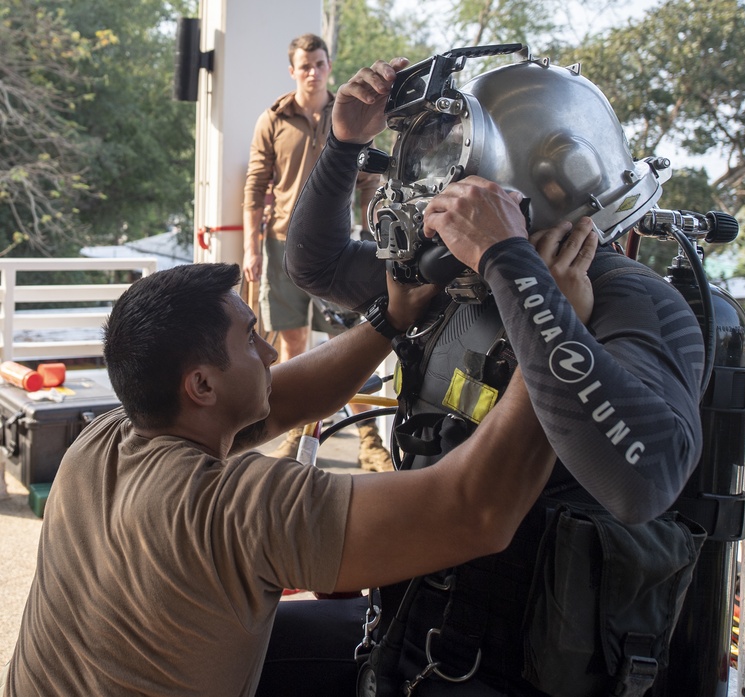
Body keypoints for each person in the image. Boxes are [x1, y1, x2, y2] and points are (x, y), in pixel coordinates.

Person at [285, 53, 707, 696]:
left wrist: (510, 264)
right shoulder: (450, 278)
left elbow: (644, 478)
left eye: (456, 184)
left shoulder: (628, 301)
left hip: (520, 663)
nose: (433, 204)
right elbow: (316, 267)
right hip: (411, 626)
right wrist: (344, 144)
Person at [1, 244, 597, 696]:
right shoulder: (236, 506)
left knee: (347, 625)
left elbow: (282, 396)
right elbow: (475, 512)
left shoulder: (103, 437)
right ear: (202, 384)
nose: (268, 353)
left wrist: (391, 319)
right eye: (251, 339)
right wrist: (552, 336)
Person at [242, 33, 391, 469]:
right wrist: (252, 250)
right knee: (292, 344)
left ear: (329, 65)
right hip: (280, 243)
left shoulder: (351, 114)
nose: (313, 71)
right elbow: (255, 187)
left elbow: (370, 183)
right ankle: (294, 435)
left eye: (319, 63)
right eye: (304, 65)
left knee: (349, 343)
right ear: (293, 70)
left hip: (339, 249)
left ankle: (369, 441)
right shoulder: (273, 118)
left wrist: (376, 239)